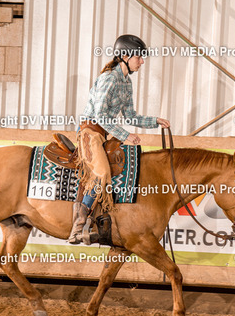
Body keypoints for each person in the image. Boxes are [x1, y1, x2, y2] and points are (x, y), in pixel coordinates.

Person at [68, 34, 170, 244]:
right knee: (102, 172)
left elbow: (130, 116)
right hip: (89, 131)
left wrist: (155, 121)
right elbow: (99, 115)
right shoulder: (109, 78)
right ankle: (78, 224)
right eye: (138, 57)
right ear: (125, 56)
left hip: (103, 132)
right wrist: (126, 135)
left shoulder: (126, 83)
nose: (141, 61)